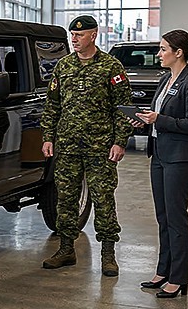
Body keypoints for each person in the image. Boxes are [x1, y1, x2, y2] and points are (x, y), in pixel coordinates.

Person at [40, 15, 133, 277]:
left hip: (100, 147)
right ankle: (66, 249)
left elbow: (122, 108)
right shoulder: (64, 66)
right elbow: (53, 105)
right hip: (68, 146)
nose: (74, 39)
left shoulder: (111, 67)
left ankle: (108, 254)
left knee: (103, 199)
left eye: (79, 35)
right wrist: (48, 136)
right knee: (66, 199)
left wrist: (119, 141)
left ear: (93, 35)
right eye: (72, 35)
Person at [129, 29, 188, 298]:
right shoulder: (166, 79)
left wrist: (158, 120)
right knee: (163, 217)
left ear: (178, 52)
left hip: (180, 158)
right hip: (160, 154)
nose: (158, 54)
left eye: (163, 49)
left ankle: (179, 278)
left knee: (176, 218)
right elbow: (159, 115)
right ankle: (163, 270)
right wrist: (143, 120)